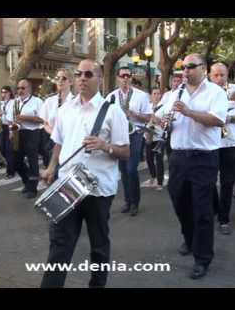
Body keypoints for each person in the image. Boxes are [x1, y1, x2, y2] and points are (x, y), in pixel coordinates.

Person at [40, 59, 130, 288]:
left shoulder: (112, 111)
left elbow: (126, 152)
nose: (82, 78)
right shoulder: (65, 109)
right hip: (67, 185)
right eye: (79, 74)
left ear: (100, 79)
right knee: (59, 243)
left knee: (98, 244)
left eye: (88, 74)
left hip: (98, 188)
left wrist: (104, 145)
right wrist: (51, 167)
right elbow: (58, 142)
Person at [155, 54, 227, 279]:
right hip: (178, 156)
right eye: (183, 68)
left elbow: (217, 120)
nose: (185, 71)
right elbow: (157, 117)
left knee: (202, 209)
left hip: (204, 158)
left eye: (190, 67)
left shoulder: (215, 92)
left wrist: (188, 112)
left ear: (203, 68)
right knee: (179, 201)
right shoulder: (175, 93)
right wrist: (164, 119)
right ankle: (189, 236)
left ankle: (202, 258)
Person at [208, 63, 235, 235]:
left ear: (227, 75)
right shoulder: (205, 92)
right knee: (208, 180)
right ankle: (215, 207)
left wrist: (229, 118)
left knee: (227, 182)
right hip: (209, 143)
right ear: (210, 75)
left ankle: (224, 218)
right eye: (216, 75)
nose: (219, 78)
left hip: (231, 142)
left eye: (222, 75)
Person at [106, 67, 152, 216]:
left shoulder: (141, 96)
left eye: (128, 75)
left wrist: (134, 114)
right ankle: (127, 200)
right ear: (118, 78)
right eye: (122, 76)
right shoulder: (111, 96)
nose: (125, 78)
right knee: (123, 170)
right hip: (119, 136)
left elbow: (148, 117)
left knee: (132, 169)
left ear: (131, 78)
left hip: (135, 134)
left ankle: (135, 202)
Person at [11, 79, 44, 199]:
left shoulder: (37, 101)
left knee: (32, 161)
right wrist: (13, 126)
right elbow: (14, 118)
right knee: (16, 161)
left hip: (32, 133)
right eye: (18, 88)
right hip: (19, 133)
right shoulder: (15, 102)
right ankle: (27, 181)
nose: (20, 90)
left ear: (29, 89)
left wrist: (25, 118)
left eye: (23, 88)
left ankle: (33, 188)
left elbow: (42, 119)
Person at [39, 68, 75, 169]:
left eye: (64, 78)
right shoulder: (49, 101)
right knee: (51, 171)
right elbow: (44, 122)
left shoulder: (75, 102)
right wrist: (53, 132)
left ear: (71, 82)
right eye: (57, 78)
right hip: (51, 140)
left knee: (64, 170)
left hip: (68, 142)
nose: (60, 81)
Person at [142, 87, 165, 191]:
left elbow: (164, 122)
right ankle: (153, 177)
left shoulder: (164, 107)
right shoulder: (148, 107)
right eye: (154, 93)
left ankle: (160, 182)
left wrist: (155, 119)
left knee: (159, 160)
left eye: (158, 94)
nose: (156, 96)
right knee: (149, 159)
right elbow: (143, 119)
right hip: (149, 135)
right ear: (151, 96)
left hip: (159, 136)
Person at [0, 86, 15, 179]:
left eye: (5, 92)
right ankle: (13, 165)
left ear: (10, 93)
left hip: (10, 126)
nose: (3, 94)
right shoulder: (3, 103)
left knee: (9, 150)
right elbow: (2, 115)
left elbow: (11, 117)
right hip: (3, 126)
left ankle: (10, 172)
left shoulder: (13, 102)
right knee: (2, 148)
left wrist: (11, 131)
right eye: (2, 92)